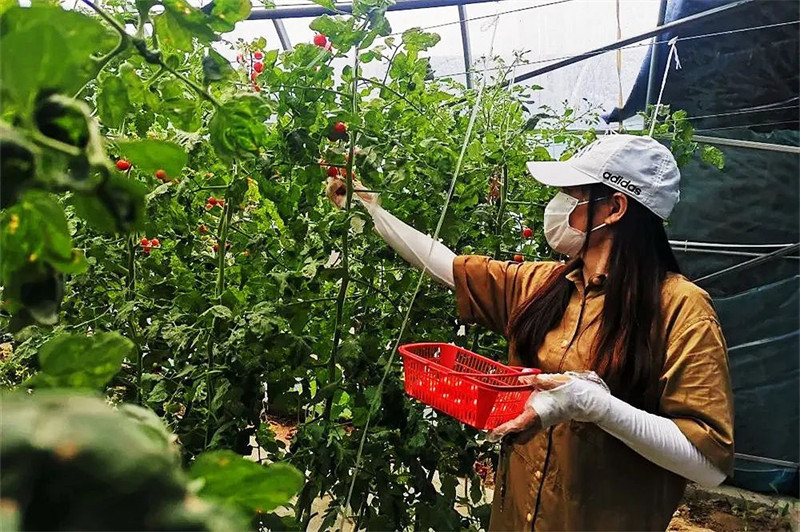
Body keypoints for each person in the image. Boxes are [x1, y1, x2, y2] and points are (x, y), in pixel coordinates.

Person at [326, 134, 734, 531]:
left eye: (572, 196)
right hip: (517, 515)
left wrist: (598, 407)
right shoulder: (545, 285)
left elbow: (709, 463)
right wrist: (372, 212)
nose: (557, 208)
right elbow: (449, 268)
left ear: (615, 208)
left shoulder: (680, 309)